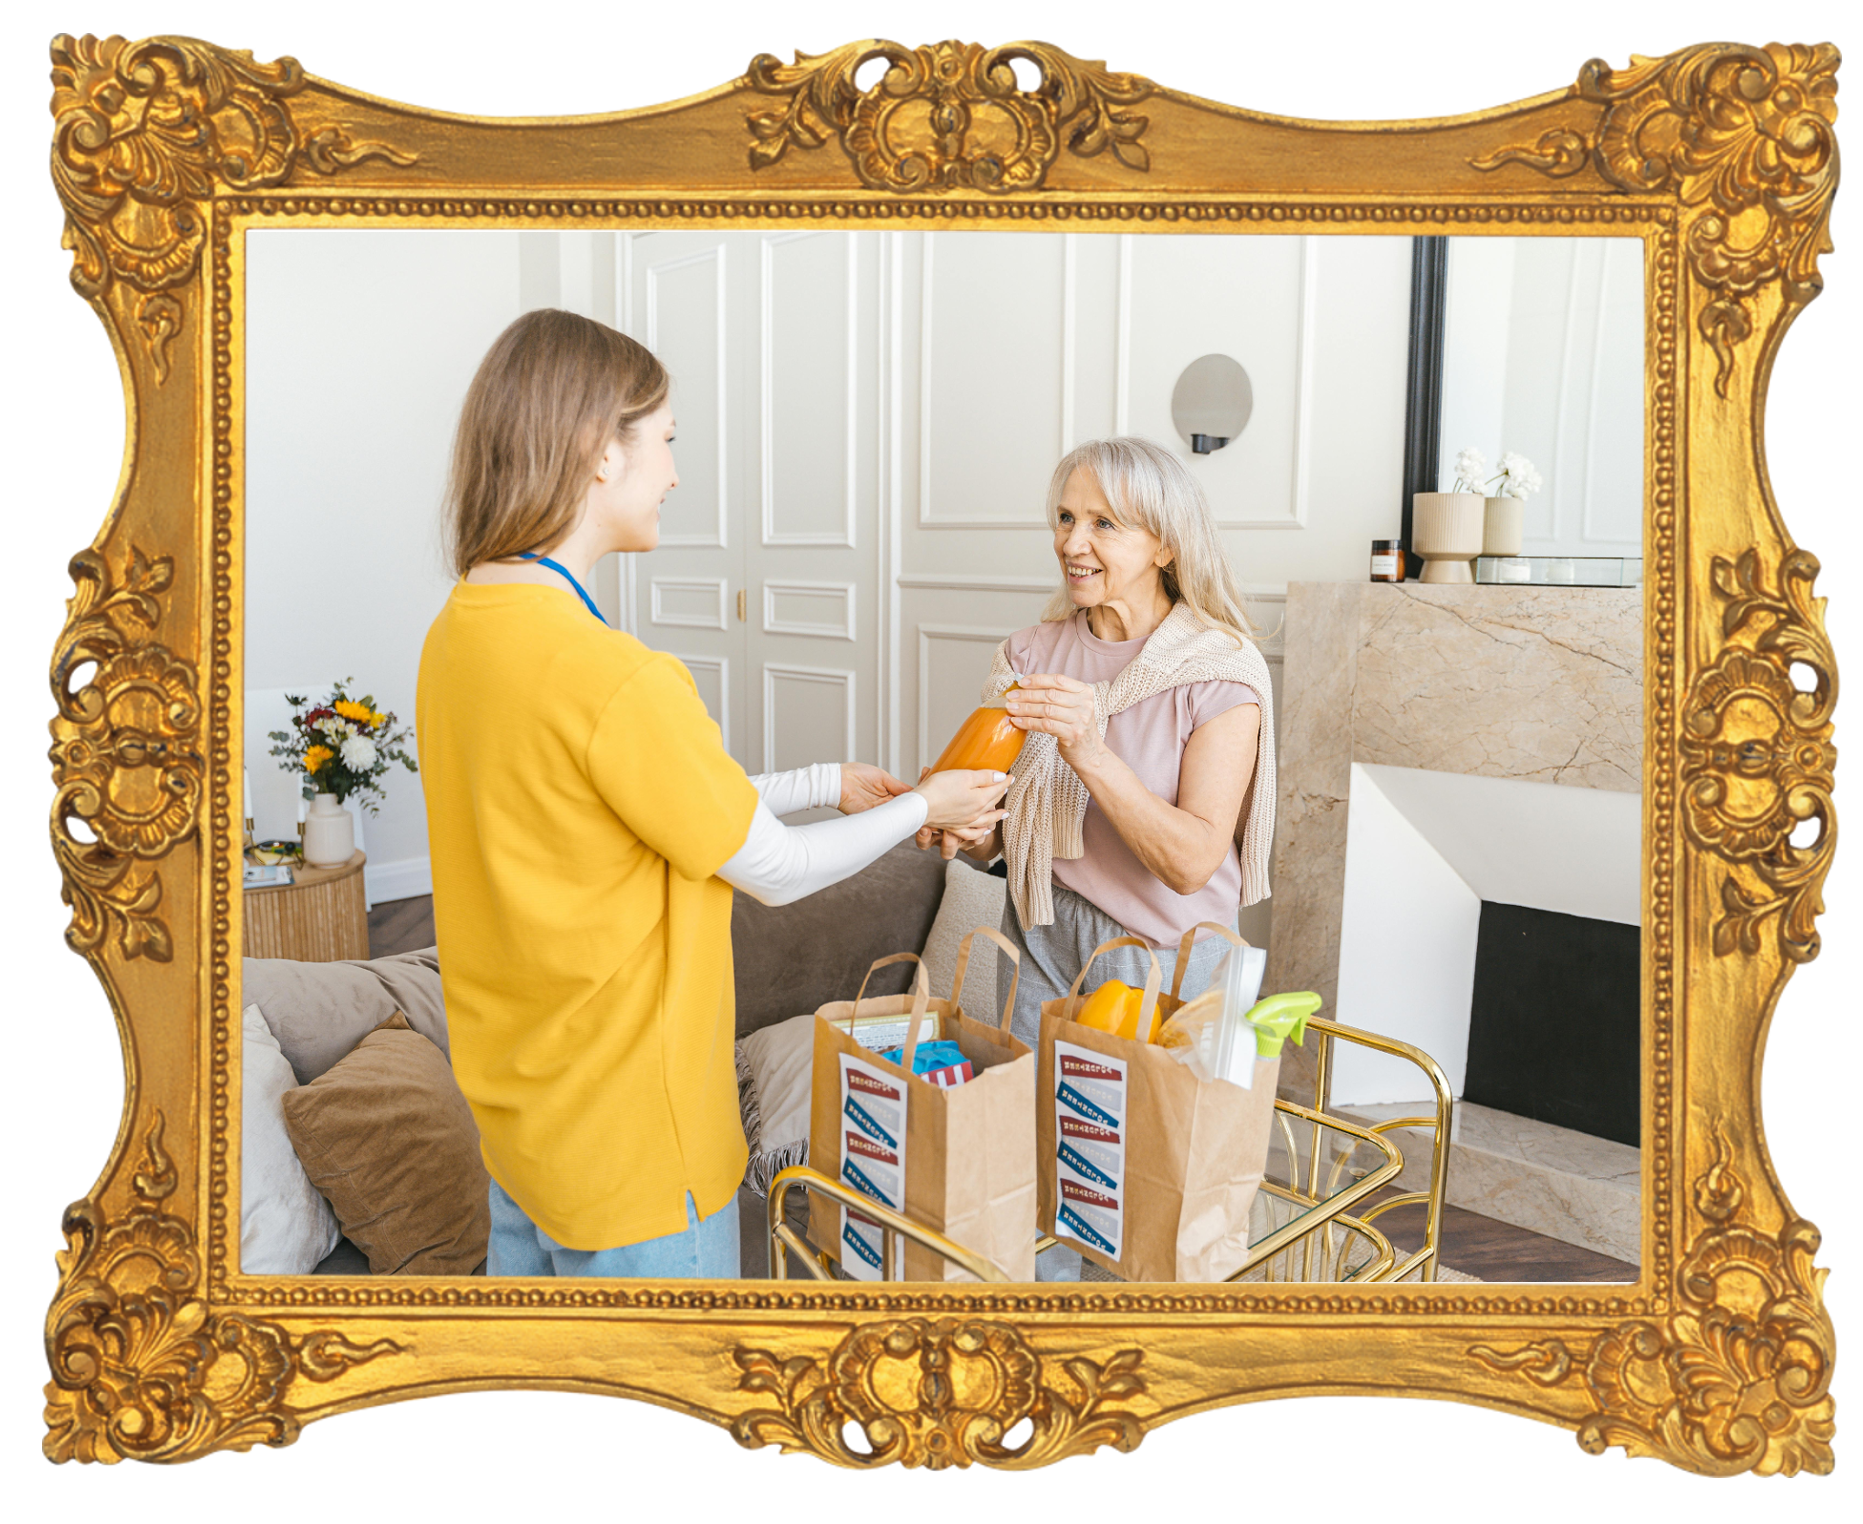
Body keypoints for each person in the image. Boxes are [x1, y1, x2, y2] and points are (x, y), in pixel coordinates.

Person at [417, 310, 1008, 1278]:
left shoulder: (464, 631)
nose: (676, 474)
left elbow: (631, 798)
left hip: (522, 1128)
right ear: (594, 451)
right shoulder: (615, 675)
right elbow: (771, 871)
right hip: (634, 1147)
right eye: (666, 442)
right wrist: (925, 808)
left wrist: (829, 783)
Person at [919, 437, 1275, 1047]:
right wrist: (971, 830)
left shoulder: (1220, 670)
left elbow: (1191, 865)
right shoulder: (1027, 654)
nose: (1070, 544)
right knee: (1032, 1127)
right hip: (1037, 928)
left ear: (1165, 544)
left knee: (1145, 1140)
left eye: (1102, 523)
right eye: (1065, 518)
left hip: (1161, 955)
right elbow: (1008, 835)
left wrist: (1088, 750)